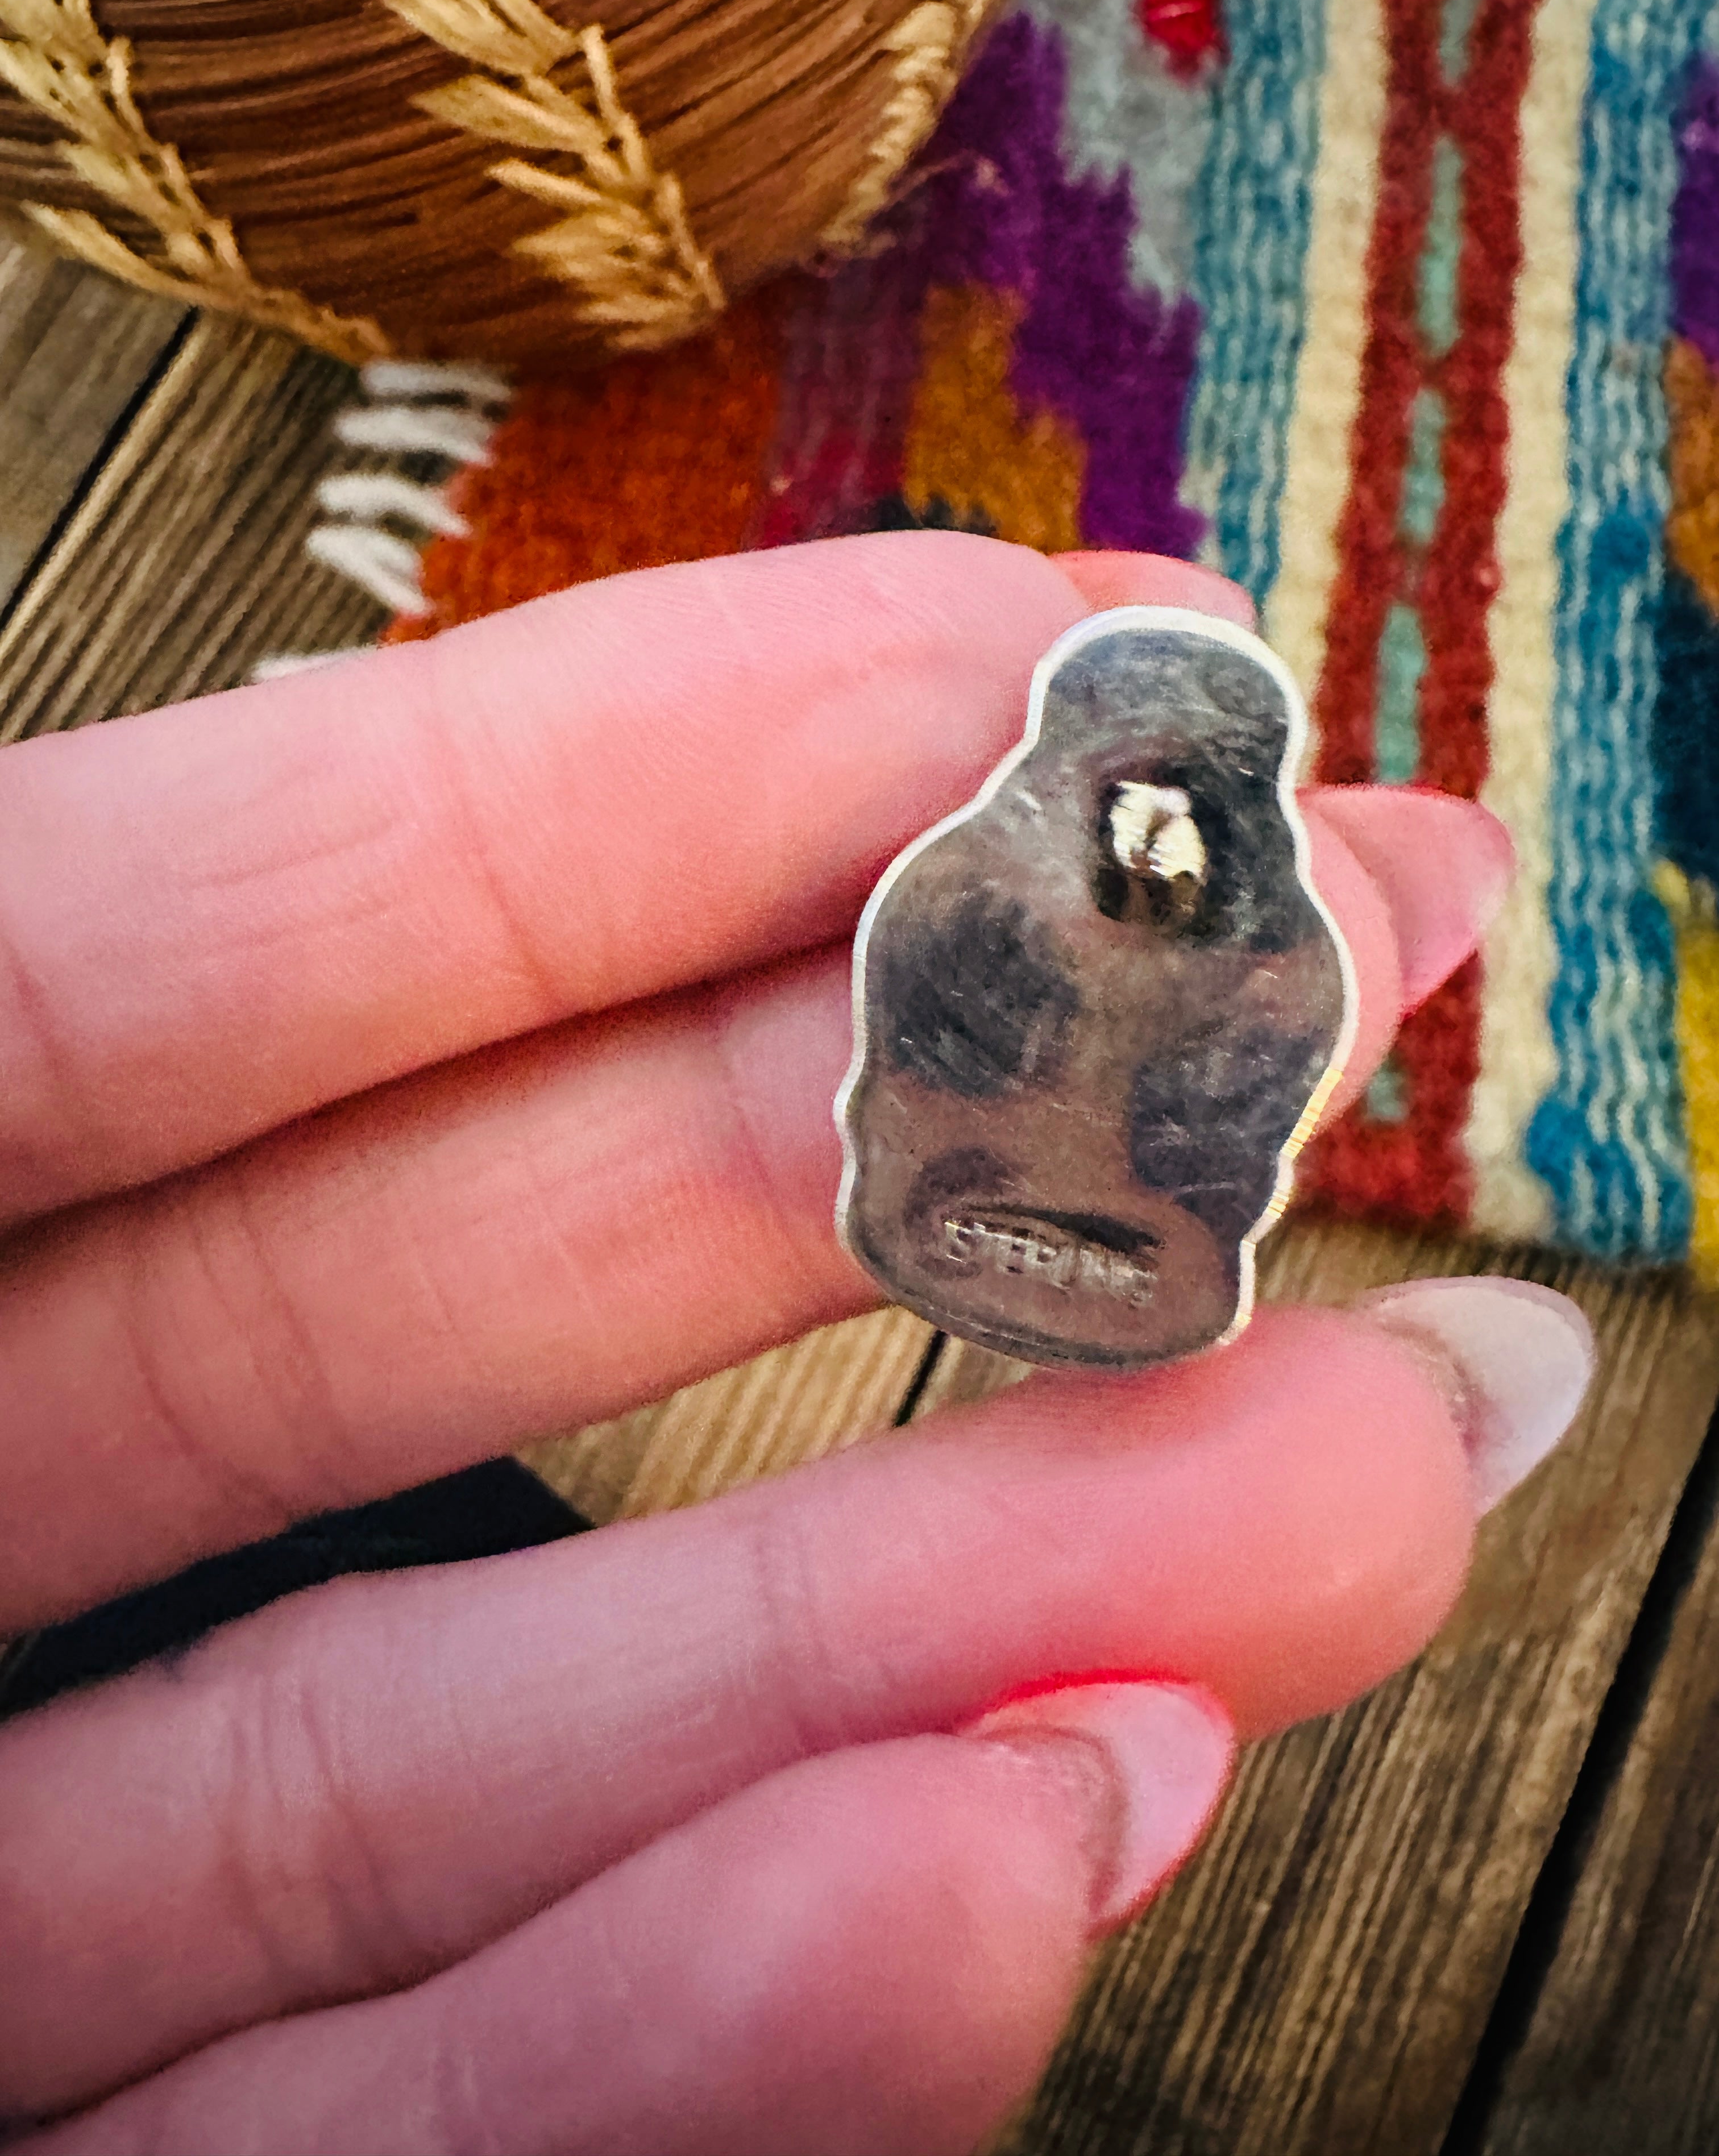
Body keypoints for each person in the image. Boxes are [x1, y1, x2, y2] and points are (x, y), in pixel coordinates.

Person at [0, 536, 1591, 2154]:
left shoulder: (1279, 958)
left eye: (1198, 792)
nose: (1157, 827)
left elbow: (1229, 1143)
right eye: (1131, 780)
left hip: (1121, 1229)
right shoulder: (974, 884)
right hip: (954, 1186)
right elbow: (918, 1062)